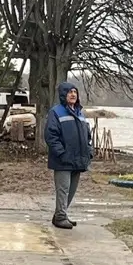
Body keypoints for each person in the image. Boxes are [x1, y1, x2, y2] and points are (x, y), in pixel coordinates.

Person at [43, 81, 94, 230]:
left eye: (75, 92)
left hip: (79, 159)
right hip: (63, 160)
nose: (73, 95)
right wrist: (61, 153)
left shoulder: (80, 113)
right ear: (63, 95)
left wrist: (89, 151)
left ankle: (60, 214)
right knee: (63, 189)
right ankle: (60, 217)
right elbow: (51, 135)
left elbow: (87, 135)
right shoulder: (56, 112)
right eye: (70, 92)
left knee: (71, 191)